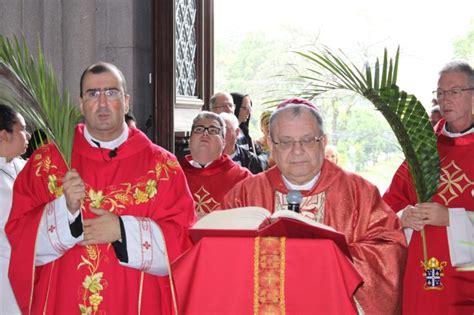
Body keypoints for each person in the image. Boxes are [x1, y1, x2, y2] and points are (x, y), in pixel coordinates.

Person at [6, 62, 196, 314]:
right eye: (93, 94)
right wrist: (65, 211)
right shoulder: (48, 162)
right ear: (81, 103)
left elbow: (183, 241)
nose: (103, 102)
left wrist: (122, 230)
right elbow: (19, 238)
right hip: (64, 303)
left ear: (126, 102)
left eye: (112, 92)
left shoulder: (162, 166)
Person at [223, 98, 407, 314]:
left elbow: (390, 251)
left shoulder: (359, 192)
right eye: (286, 141)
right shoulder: (245, 194)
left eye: (308, 140)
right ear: (271, 145)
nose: (297, 150)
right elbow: (221, 259)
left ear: (323, 141)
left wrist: (329, 255)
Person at [383, 61, 474, 314]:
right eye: (440, 93)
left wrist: (451, 217)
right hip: (422, 268)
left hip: (468, 276)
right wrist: (404, 215)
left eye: (454, 92)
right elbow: (389, 203)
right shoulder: (423, 147)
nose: (446, 100)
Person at [180, 111, 251, 216]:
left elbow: (251, 220)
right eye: (198, 129)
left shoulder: (243, 178)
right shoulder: (174, 174)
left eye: (213, 130)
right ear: (189, 141)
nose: (205, 133)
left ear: (223, 143)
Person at [0, 104, 30, 315]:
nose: (27, 134)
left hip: (26, 263)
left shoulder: (23, 166)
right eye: (22, 128)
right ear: (4, 135)